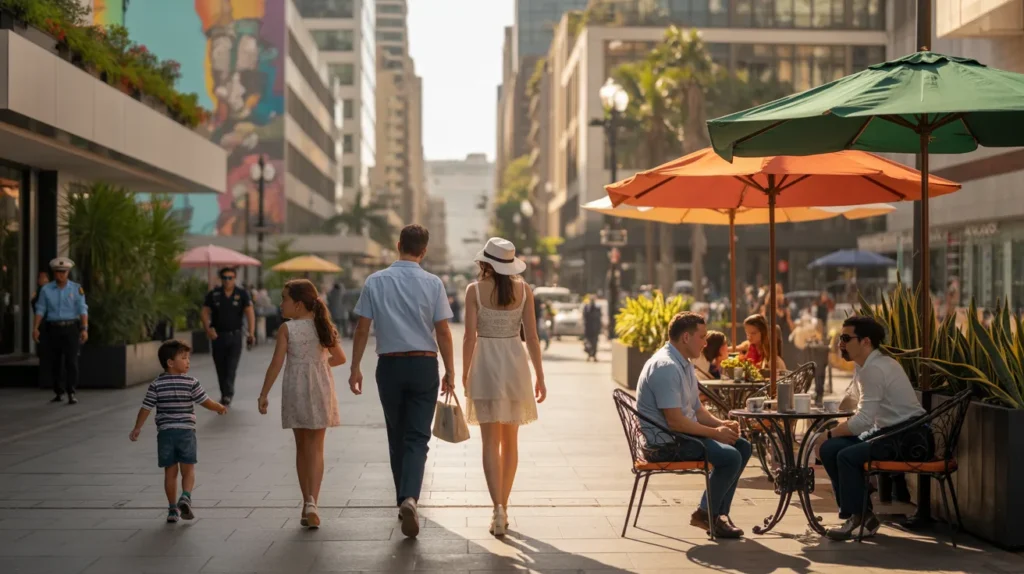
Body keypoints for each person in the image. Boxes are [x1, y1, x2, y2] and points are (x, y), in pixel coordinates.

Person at [349, 224, 455, 539]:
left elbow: (362, 329)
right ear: (423, 250)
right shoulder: (433, 283)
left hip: (390, 367)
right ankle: (410, 497)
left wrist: (355, 367)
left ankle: (403, 499)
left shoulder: (375, 281)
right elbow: (444, 331)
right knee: (417, 437)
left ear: (398, 245)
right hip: (424, 366)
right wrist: (450, 370)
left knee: (396, 434)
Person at [635, 312, 751, 539]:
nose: (706, 343)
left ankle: (715, 515)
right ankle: (707, 514)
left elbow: (697, 410)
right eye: (702, 337)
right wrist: (716, 433)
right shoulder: (666, 366)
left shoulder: (684, 363)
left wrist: (722, 424)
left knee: (742, 446)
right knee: (731, 457)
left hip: (682, 437)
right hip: (666, 444)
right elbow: (675, 421)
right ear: (686, 337)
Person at [462, 238, 546, 537]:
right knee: (511, 442)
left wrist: (464, 371)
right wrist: (540, 375)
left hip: (485, 363)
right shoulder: (525, 290)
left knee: (489, 443)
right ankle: (505, 507)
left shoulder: (474, 290)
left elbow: (469, 337)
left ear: (486, 262)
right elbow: (533, 338)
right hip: (514, 365)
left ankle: (496, 507)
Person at [818, 316, 928, 541]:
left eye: (846, 338)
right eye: (840, 337)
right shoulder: (864, 366)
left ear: (866, 341)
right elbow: (855, 401)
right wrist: (832, 422)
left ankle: (859, 517)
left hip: (908, 437)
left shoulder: (875, 369)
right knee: (830, 449)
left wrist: (827, 433)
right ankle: (863, 515)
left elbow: (863, 422)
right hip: (887, 433)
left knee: (846, 455)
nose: (841, 343)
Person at [258, 279, 347, 529]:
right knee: (317, 448)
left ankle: (306, 500)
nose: (280, 304)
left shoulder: (288, 329)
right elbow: (340, 358)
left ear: (297, 305)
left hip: (295, 388)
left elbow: (276, 363)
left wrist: (264, 393)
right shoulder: (323, 326)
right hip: (320, 387)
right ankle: (313, 504)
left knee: (301, 447)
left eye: (284, 299)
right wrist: (318, 367)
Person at [128, 340, 227, 523]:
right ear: (170, 362)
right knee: (188, 470)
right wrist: (219, 407)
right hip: (185, 434)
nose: (188, 361)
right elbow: (205, 401)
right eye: (184, 358)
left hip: (165, 434)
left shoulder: (156, 384)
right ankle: (186, 496)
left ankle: (172, 509)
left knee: (170, 472)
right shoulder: (191, 382)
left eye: (188, 358)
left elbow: (146, 408)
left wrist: (137, 428)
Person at [33, 258, 88, 405]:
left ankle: (71, 391)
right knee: (55, 362)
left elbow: (82, 309)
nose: (61, 275)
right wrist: (35, 328)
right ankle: (59, 391)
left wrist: (84, 328)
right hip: (53, 328)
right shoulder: (46, 290)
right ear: (54, 273)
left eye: (63, 272)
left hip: (71, 328)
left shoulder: (76, 289)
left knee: (71, 361)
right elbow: (40, 309)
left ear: (68, 273)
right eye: (58, 272)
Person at [201, 267, 256, 407]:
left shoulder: (242, 293)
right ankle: (224, 392)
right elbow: (205, 312)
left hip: (235, 336)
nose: (227, 281)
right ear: (221, 279)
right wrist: (208, 329)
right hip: (218, 336)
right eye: (225, 278)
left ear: (235, 278)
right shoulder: (214, 294)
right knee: (220, 366)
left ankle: (228, 394)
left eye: (230, 278)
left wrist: (251, 332)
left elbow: (249, 313)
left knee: (231, 366)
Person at [582, 296, 602, 362]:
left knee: (595, 343)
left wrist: (599, 328)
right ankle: (589, 355)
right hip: (588, 329)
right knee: (587, 343)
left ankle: (594, 356)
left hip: (595, 329)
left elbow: (599, 318)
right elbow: (584, 317)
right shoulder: (586, 307)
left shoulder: (597, 308)